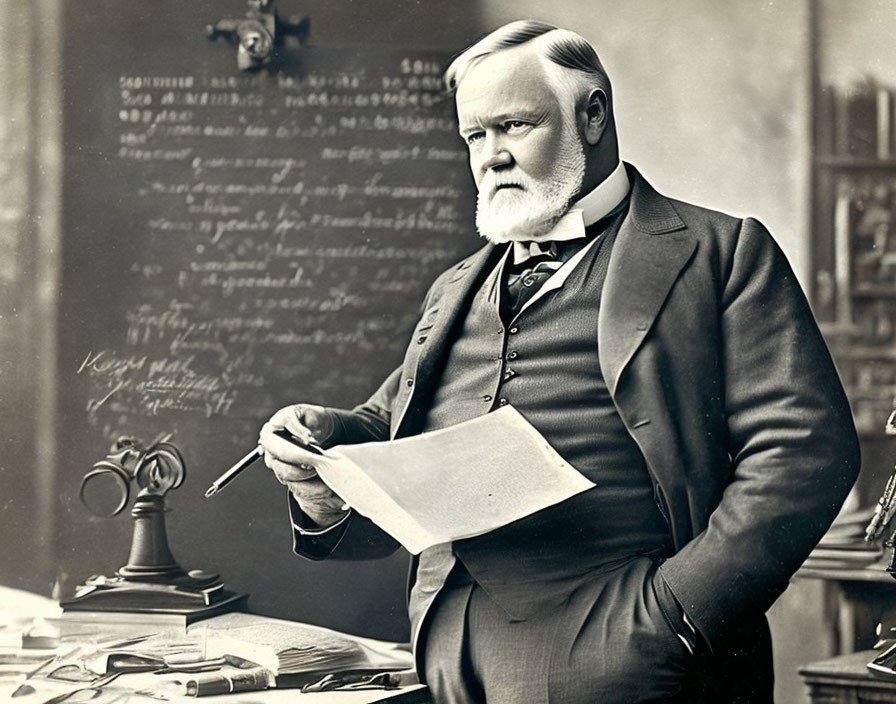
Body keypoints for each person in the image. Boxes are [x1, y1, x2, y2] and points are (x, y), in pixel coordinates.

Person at [258, 20, 860, 704]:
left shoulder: (721, 253)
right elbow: (394, 429)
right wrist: (322, 453)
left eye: (513, 125)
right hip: (450, 656)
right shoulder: (456, 287)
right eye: (473, 137)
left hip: (635, 652)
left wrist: (678, 616)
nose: (491, 157)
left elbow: (805, 452)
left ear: (593, 114)